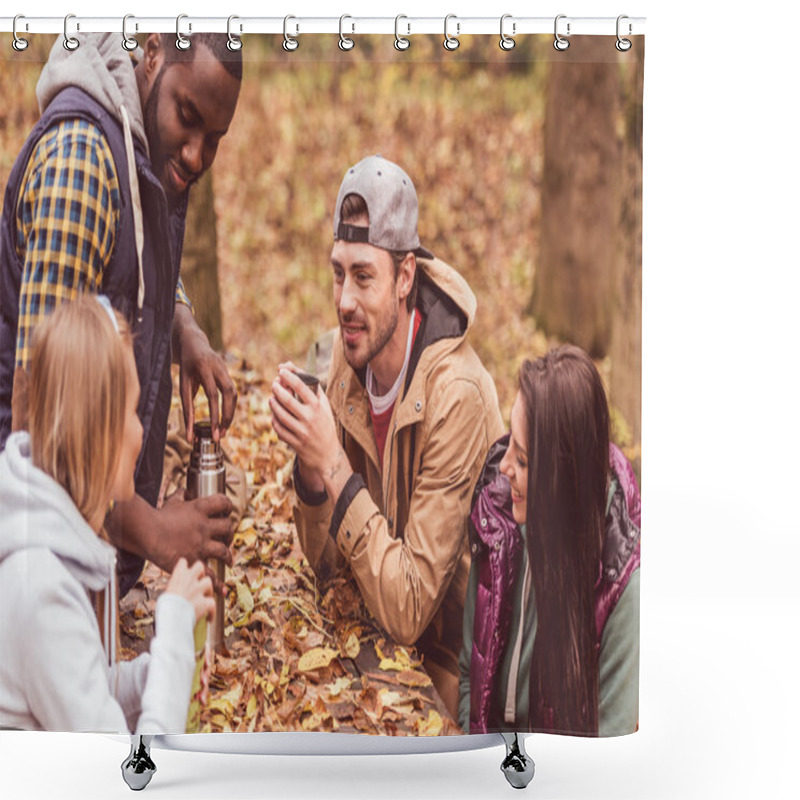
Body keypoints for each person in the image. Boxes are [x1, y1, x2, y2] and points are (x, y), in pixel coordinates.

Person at [0, 32, 243, 596]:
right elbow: (41, 419)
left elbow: (123, 248)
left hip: (78, 561)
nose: (196, 155)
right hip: (33, 573)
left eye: (216, 139)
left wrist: (183, 324)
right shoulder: (83, 165)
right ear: (152, 50)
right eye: (189, 117)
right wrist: (156, 531)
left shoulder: (137, 146)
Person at [270, 155, 505, 717]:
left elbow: (409, 611)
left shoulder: (457, 395)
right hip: (385, 642)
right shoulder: (350, 361)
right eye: (337, 272)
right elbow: (326, 565)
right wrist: (308, 472)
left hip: (456, 671)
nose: (344, 300)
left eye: (364, 276)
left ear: (405, 278)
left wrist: (333, 467)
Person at [0, 296, 214, 732]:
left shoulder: (57, 544)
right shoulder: (41, 588)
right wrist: (173, 637)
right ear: (97, 429)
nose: (141, 431)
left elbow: (88, 686)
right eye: (133, 412)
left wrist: (159, 674)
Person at [458, 345, 641, 736]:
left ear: (562, 478)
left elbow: (610, 754)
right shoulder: (497, 520)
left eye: (523, 460)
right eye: (510, 443)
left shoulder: (622, 585)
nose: (503, 467)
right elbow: (468, 677)